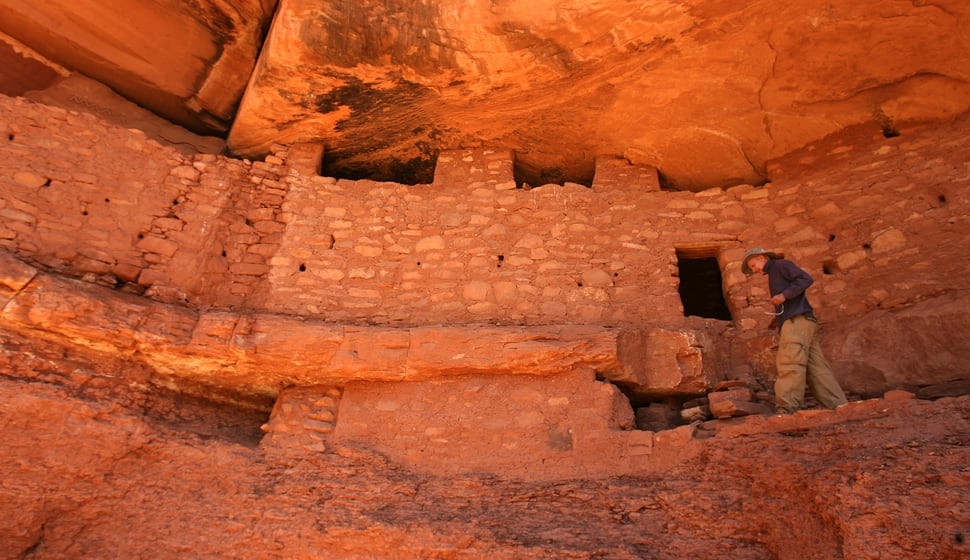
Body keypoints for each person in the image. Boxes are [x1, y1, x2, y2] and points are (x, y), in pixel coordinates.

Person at [741, 247, 848, 414]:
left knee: (789, 361)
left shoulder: (780, 265)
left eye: (754, 265)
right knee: (817, 368)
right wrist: (777, 319)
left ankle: (787, 409)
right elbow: (791, 299)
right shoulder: (775, 273)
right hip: (804, 320)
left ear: (762, 257)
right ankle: (840, 406)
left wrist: (784, 296)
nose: (754, 270)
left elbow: (805, 279)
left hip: (796, 321)